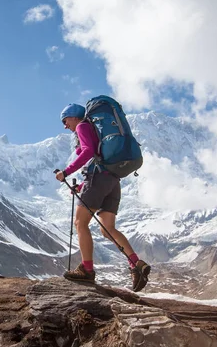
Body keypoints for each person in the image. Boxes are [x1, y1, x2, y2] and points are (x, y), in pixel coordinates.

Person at [55, 103, 151, 292]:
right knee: (108, 229)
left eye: (65, 121)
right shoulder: (95, 129)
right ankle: (136, 264)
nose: (65, 126)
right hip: (112, 180)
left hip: (99, 178)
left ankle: (87, 270)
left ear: (74, 117)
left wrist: (66, 172)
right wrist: (83, 186)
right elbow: (98, 158)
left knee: (80, 224)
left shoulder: (82, 126)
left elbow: (89, 151)